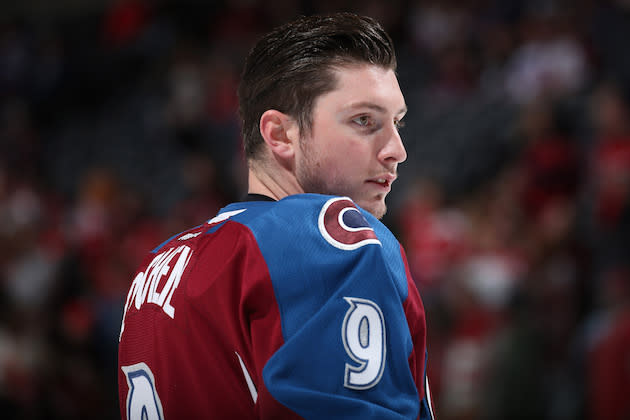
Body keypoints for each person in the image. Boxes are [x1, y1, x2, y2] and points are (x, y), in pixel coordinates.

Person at [118, 12, 435, 419]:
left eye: (397, 123)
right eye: (364, 121)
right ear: (280, 135)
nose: (397, 149)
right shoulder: (327, 238)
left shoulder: (155, 266)